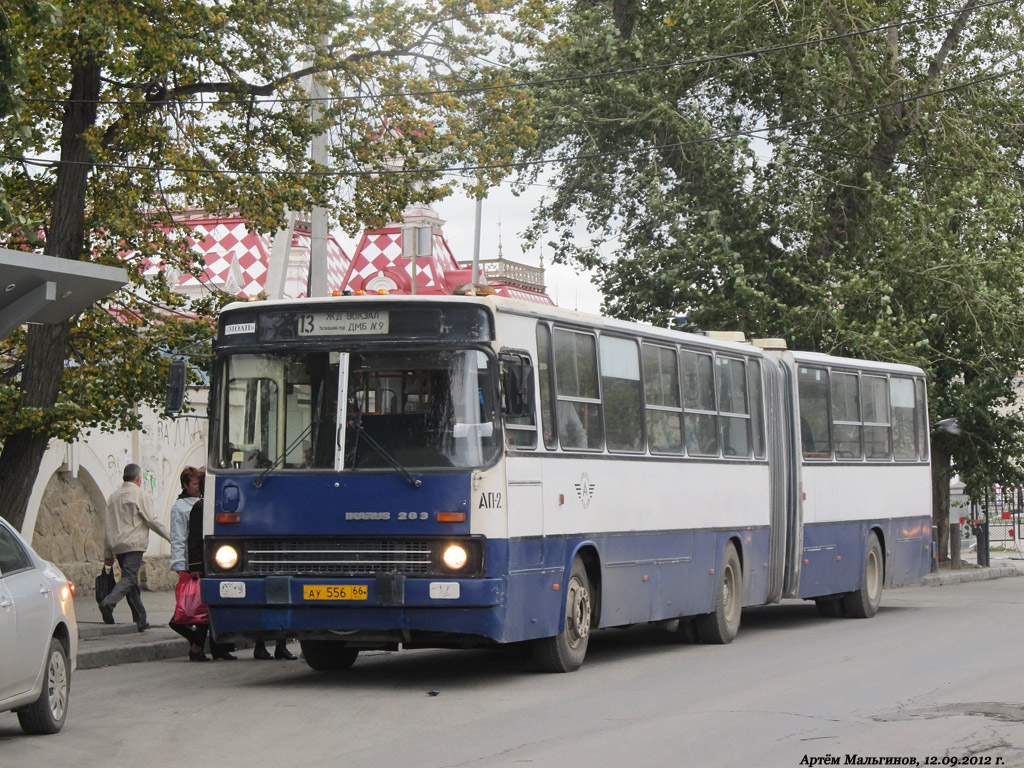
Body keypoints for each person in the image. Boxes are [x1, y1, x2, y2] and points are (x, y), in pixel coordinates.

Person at [99, 463, 171, 631]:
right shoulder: (139, 494)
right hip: (134, 544)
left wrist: (107, 552)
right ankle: (108, 603)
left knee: (131, 582)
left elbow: (107, 526)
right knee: (130, 579)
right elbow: (151, 520)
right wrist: (171, 538)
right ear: (139, 478)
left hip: (117, 545)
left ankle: (141, 620)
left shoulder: (113, 496)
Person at [184, 496, 237, 660]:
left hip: (222, 561)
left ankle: (219, 648)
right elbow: (194, 537)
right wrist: (195, 565)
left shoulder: (223, 504)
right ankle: (196, 648)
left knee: (219, 605)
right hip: (207, 563)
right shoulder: (201, 507)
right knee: (204, 610)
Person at [167, 467, 211, 661]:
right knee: (195, 605)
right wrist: (182, 564)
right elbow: (179, 537)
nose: (197, 488)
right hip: (190, 562)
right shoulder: (180, 507)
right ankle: (194, 641)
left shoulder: (202, 503)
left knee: (201, 606)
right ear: (185, 485)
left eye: (198, 484)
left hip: (202, 560)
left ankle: (197, 648)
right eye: (194, 484)